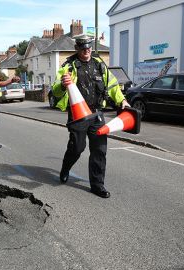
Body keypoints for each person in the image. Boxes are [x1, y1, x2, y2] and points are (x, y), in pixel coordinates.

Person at [52, 34, 130, 198]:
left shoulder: (99, 64)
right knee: (77, 148)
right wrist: (63, 84)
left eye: (88, 47)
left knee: (99, 150)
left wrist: (122, 100)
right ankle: (65, 168)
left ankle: (97, 185)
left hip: (96, 114)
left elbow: (113, 85)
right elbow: (56, 91)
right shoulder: (69, 66)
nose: (86, 50)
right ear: (77, 48)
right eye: (83, 47)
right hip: (78, 115)